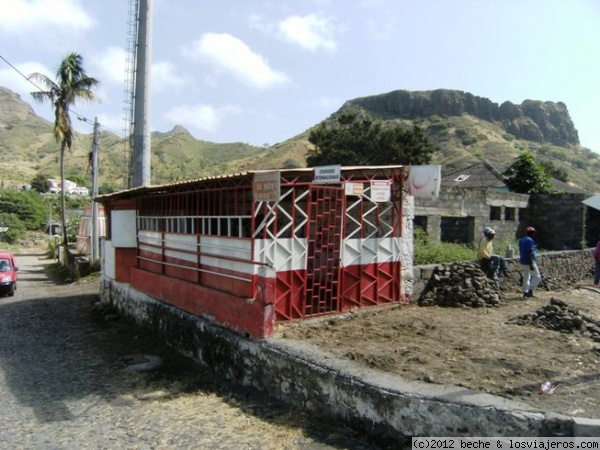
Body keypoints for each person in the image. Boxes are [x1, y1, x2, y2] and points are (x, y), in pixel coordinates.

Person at [519, 226, 541, 298]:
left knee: (526, 277)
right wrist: (531, 263)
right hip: (529, 261)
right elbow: (530, 252)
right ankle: (529, 290)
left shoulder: (522, 239)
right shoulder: (530, 240)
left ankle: (525, 292)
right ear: (532, 233)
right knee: (537, 277)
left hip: (523, 261)